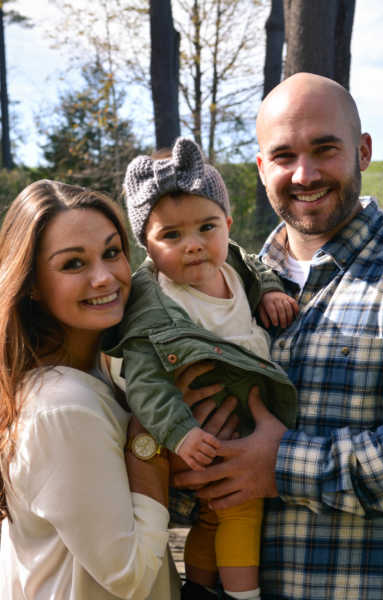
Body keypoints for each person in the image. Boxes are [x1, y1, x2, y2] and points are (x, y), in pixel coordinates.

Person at [174, 72, 383, 599]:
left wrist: (284, 466)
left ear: (362, 151)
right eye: (284, 155)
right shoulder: (222, 288)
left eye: (325, 149)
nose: (304, 173)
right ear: (263, 168)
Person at [0, 179, 237, 600]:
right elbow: (130, 576)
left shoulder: (99, 374)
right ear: (30, 283)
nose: (104, 278)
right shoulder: (63, 407)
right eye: (73, 264)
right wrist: (148, 439)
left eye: (112, 252)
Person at [104, 137, 299, 600]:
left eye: (206, 228)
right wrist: (180, 434)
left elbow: (255, 266)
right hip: (191, 422)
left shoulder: (234, 265)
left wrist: (270, 290)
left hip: (236, 410)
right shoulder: (154, 303)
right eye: (171, 235)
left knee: (216, 514)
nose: (193, 246)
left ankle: (202, 587)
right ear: (146, 246)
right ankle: (241, 595)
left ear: (227, 225)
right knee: (242, 509)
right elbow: (147, 384)